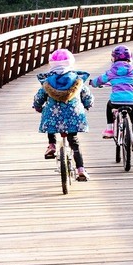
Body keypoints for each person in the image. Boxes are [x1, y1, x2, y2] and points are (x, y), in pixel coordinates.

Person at [33, 48, 94, 182]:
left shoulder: (47, 82)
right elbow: (87, 96)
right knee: (74, 143)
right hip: (74, 116)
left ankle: (52, 145)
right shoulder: (77, 80)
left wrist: (37, 107)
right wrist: (88, 104)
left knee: (50, 120)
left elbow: (39, 97)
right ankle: (81, 170)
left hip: (53, 117)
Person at [90, 45, 133, 153]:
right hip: (132, 101)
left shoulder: (112, 71)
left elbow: (99, 80)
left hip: (116, 101)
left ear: (113, 58)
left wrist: (93, 83)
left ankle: (109, 129)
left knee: (109, 105)